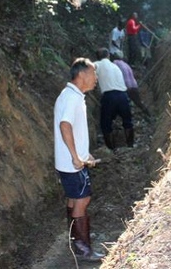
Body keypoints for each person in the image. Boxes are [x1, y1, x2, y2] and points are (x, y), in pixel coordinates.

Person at [54, 58, 105, 262]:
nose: (96, 78)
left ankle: (75, 240)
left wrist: (84, 154)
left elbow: (73, 129)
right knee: (83, 199)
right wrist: (77, 158)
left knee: (75, 199)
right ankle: (83, 249)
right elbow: (65, 126)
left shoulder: (72, 95)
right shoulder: (72, 98)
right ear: (82, 75)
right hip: (71, 163)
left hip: (68, 161)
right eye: (93, 74)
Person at [94, 47, 135, 150]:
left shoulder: (97, 65)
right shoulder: (115, 66)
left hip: (109, 97)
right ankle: (130, 145)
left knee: (106, 123)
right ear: (108, 56)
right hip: (122, 95)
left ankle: (111, 149)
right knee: (127, 121)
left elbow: (85, 69)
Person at [112, 51, 151, 118]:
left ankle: (118, 116)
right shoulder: (126, 64)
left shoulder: (115, 63)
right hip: (134, 85)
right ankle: (148, 114)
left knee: (118, 101)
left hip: (126, 85)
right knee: (138, 101)